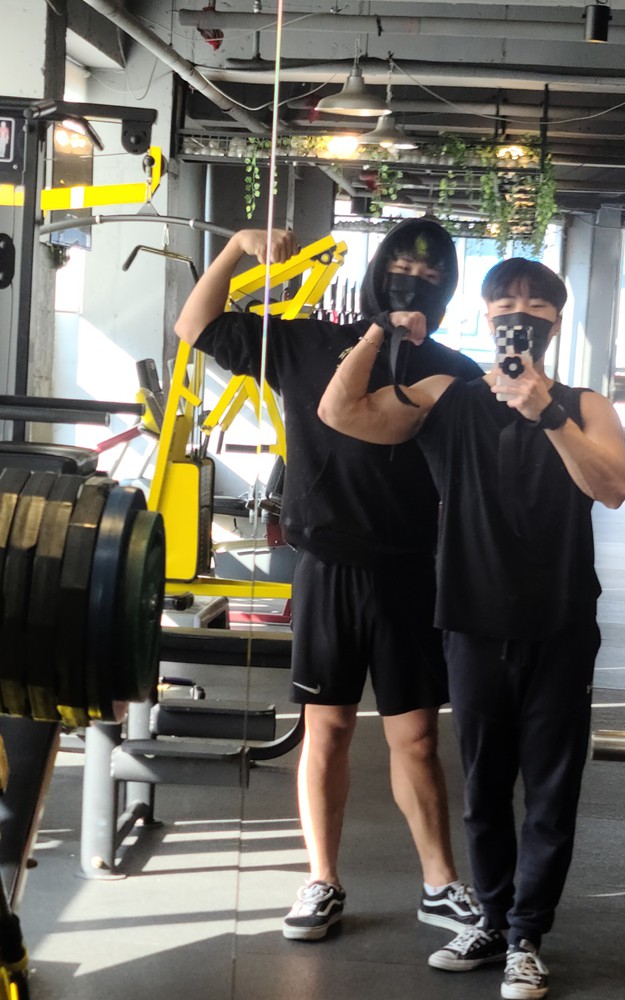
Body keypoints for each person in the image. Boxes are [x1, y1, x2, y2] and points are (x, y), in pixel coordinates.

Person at [317, 257, 625, 998]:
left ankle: (526, 937)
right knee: (484, 789)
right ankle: (492, 919)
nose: (521, 314)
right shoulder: (446, 395)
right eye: (505, 303)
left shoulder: (586, 406)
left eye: (537, 305)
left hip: (559, 624)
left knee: (551, 792)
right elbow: (340, 412)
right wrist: (378, 331)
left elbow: (614, 487)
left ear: (556, 322)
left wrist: (545, 412)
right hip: (471, 620)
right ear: (486, 318)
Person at [174, 220, 483, 944]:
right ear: (377, 272)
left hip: (409, 572)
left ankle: (440, 884)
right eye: (402, 265)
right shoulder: (307, 343)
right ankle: (321, 879)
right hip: (326, 570)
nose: (413, 280)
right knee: (328, 729)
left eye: (431, 274)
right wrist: (239, 248)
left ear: (446, 290)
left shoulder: (455, 372)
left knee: (415, 739)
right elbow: (195, 325)